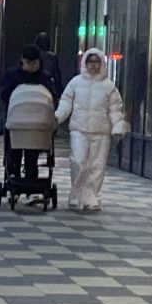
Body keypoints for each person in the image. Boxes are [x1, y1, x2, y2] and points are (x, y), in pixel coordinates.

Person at [55, 48, 127, 211]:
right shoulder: (75, 83)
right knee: (78, 162)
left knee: (97, 165)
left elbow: (115, 109)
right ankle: (76, 194)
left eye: (97, 62)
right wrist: (58, 116)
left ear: (102, 63)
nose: (93, 65)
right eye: (90, 62)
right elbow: (66, 102)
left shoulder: (108, 86)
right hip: (79, 129)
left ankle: (91, 196)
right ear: (85, 63)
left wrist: (117, 126)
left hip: (101, 131)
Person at [0, 43, 57, 181]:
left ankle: (31, 176)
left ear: (39, 61)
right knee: (14, 151)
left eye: (34, 63)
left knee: (33, 152)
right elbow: (4, 94)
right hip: (16, 119)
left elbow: (53, 98)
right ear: (22, 60)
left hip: (37, 122)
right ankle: (13, 174)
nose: (31, 66)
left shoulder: (45, 77)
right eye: (27, 63)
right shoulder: (13, 75)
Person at [34, 31, 63, 97]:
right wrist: (59, 92)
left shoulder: (34, 54)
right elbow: (57, 76)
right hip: (48, 87)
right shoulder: (52, 57)